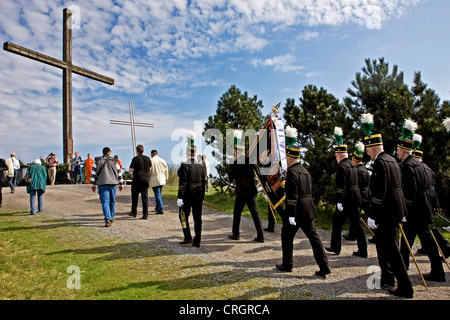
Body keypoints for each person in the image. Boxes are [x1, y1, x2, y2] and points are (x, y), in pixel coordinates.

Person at [363, 114, 414, 299]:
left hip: (385, 214)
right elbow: (398, 188)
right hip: (395, 212)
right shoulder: (393, 161)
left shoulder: (380, 163)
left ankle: (406, 288)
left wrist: (372, 214)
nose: (367, 152)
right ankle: (389, 278)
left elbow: (379, 192)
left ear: (374, 147)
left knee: (392, 252)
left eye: (368, 148)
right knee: (386, 249)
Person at [276, 126, 331, 277]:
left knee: (286, 236)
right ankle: (324, 266)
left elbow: (292, 195)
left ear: (290, 158)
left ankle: (287, 264)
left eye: (287, 157)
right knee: (314, 238)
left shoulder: (292, 173)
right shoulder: (305, 172)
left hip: (296, 210)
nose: (286, 159)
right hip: (308, 209)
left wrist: (291, 214)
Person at [397, 132, 446, 282]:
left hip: (414, 211)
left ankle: (403, 269)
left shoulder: (407, 167)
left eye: (398, 150)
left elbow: (410, 192)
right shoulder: (422, 166)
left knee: (407, 242)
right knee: (428, 244)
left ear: (404, 150)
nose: (397, 152)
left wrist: (404, 210)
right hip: (425, 209)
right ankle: (437, 272)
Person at [326, 128, 367, 258]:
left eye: (336, 155)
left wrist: (339, 201)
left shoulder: (342, 166)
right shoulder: (352, 165)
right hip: (355, 200)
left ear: (339, 155)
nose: (335, 157)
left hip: (345, 200)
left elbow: (341, 186)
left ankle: (335, 247)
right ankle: (363, 250)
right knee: (357, 225)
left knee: (337, 222)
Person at [412, 148, 450, 259]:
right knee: (428, 227)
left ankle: (445, 247)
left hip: (423, 203)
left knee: (428, 228)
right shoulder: (428, 169)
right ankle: (438, 247)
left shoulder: (419, 169)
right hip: (430, 201)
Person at [227, 136, 265, 243]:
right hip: (251, 191)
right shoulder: (250, 160)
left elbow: (230, 178)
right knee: (255, 213)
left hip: (241, 193)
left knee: (237, 213)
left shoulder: (236, 163)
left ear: (236, 153)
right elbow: (258, 169)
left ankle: (236, 234)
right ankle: (261, 235)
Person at [177, 131, 206, 247]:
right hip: (198, 195)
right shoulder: (201, 165)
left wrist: (180, 196)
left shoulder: (185, 166)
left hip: (187, 195)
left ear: (187, 153)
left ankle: (187, 236)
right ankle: (197, 239)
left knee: (183, 216)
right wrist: (203, 196)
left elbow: (182, 183)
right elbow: (204, 182)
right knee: (197, 218)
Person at [344, 143, 371, 241]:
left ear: (355, 160)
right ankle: (353, 234)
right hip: (366, 195)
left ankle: (353, 235)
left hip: (359, 196)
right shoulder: (365, 170)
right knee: (368, 216)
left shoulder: (356, 171)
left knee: (354, 218)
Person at [91, 147, 124, 227]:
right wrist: (121, 184)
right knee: (112, 201)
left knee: (105, 202)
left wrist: (93, 184)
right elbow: (119, 172)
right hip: (113, 183)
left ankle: (107, 219)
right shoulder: (114, 160)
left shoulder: (97, 160)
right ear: (109, 152)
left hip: (102, 183)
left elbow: (93, 172)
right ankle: (112, 217)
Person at [128, 145, 151, 219]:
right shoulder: (147, 158)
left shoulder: (135, 158)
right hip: (145, 180)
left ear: (137, 151)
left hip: (137, 180)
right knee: (145, 197)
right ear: (143, 150)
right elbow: (150, 168)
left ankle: (134, 212)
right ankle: (145, 214)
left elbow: (130, 169)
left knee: (135, 197)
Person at [150, 150, 169, 215]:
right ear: (157, 154)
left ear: (152, 154)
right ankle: (157, 206)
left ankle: (160, 208)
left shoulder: (151, 161)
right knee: (159, 193)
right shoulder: (162, 160)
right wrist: (166, 177)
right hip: (162, 179)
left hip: (155, 179)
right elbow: (166, 170)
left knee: (157, 194)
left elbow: (150, 171)